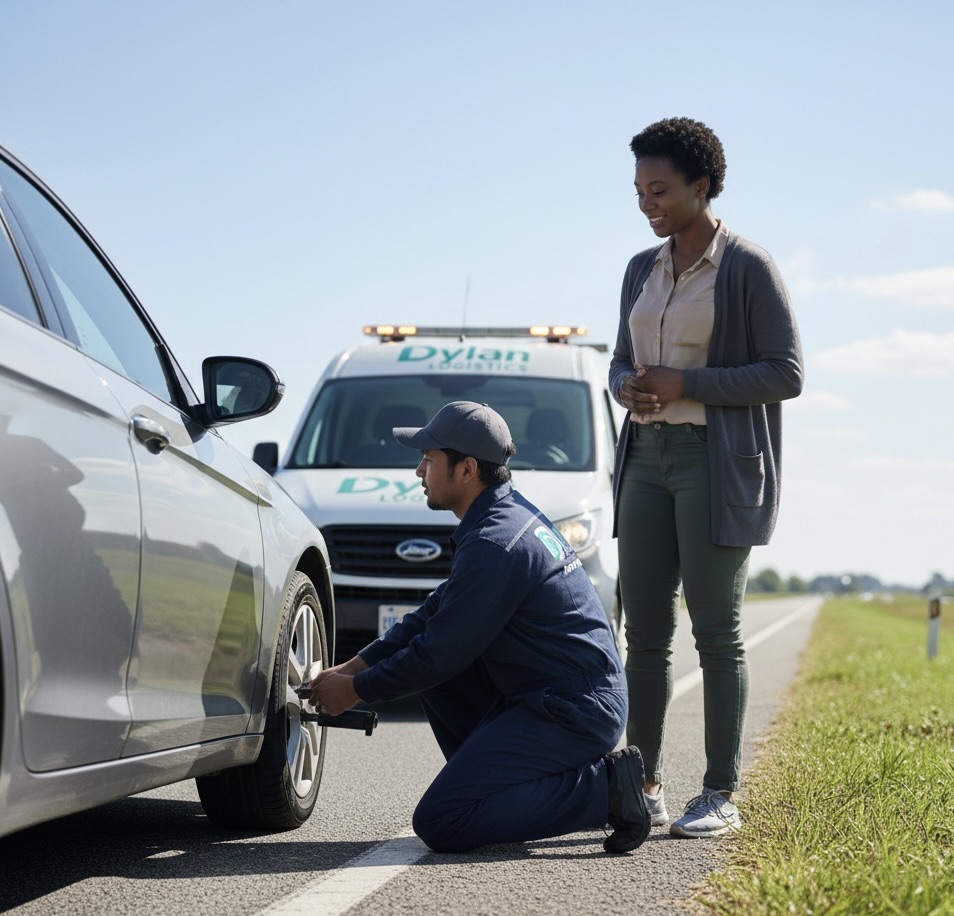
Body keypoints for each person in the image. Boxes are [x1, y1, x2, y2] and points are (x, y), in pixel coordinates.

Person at [307, 400, 650, 854]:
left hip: (574, 710)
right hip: (556, 694)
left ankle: (606, 790)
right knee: (438, 674)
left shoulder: (496, 542)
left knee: (442, 820)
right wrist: (353, 665)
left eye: (428, 461)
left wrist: (356, 690)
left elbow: (438, 652)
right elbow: (436, 613)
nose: (418, 472)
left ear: (466, 469)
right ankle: (496, 787)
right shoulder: (501, 516)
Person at [609, 117, 803, 839]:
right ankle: (643, 781)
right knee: (644, 635)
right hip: (645, 462)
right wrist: (629, 385)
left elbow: (785, 373)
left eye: (658, 189)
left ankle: (720, 791)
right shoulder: (640, 268)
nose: (646, 203)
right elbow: (619, 363)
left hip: (713, 465)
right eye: (638, 190)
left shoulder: (748, 267)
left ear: (703, 186)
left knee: (717, 633)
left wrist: (684, 380)